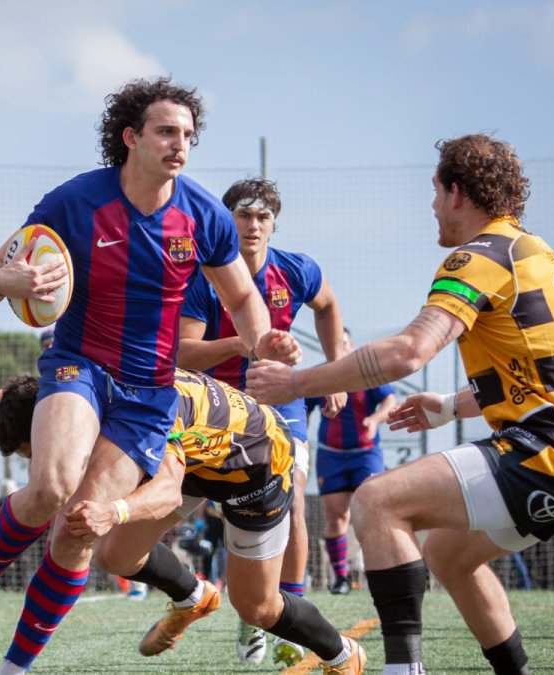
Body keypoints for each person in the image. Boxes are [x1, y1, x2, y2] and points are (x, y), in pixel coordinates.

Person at [0, 77, 291, 673]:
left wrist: (261, 338)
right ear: (131, 137)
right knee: (51, 489)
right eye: (167, 131)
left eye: (188, 135)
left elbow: (243, 297)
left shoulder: (203, 216)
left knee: (77, 531)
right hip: (79, 364)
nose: (180, 145)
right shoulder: (76, 201)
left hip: (149, 394)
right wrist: (2, 281)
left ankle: (13, 670)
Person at [246, 133, 554, 675]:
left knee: (377, 500)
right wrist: (447, 407)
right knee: (448, 554)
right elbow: (543, 375)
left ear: (457, 193)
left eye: (435, 192)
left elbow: (407, 352)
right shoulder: (539, 254)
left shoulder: (477, 258)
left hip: (550, 453)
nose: (432, 207)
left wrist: (296, 382)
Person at [0, 370, 367, 674]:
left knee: (258, 609)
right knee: (114, 554)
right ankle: (195, 595)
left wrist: (114, 510)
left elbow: (165, 489)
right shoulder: (70, 395)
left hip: (254, 467)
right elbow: (6, 396)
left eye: (35, 453)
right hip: (194, 462)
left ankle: (344, 655)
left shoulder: (141, 415)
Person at [178, 176, 347, 666]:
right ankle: (210, 597)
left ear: (274, 224)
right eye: (243, 216)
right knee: (179, 503)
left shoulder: (296, 270)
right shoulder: (203, 278)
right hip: (214, 406)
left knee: (292, 495)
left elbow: (330, 305)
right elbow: (185, 354)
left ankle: (285, 622)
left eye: (262, 217)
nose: (253, 225)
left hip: (279, 398)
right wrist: (238, 343)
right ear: (227, 221)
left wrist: (334, 372)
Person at [305, 329, 396, 596]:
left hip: (366, 454)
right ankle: (341, 579)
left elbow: (389, 399)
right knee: (336, 518)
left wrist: (374, 420)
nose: (339, 349)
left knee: (374, 513)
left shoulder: (366, 372)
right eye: (334, 343)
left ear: (352, 345)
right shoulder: (319, 376)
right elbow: (304, 405)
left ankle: (380, 575)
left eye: (343, 344)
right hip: (330, 455)